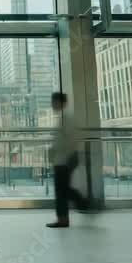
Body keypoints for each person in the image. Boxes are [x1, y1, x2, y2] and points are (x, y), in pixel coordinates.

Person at [47, 92, 87, 228]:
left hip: (64, 159)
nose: (52, 104)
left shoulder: (66, 118)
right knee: (63, 189)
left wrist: (60, 152)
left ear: (61, 102)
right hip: (63, 158)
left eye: (54, 101)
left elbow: (71, 139)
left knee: (61, 190)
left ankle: (79, 204)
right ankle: (67, 215)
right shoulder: (63, 118)